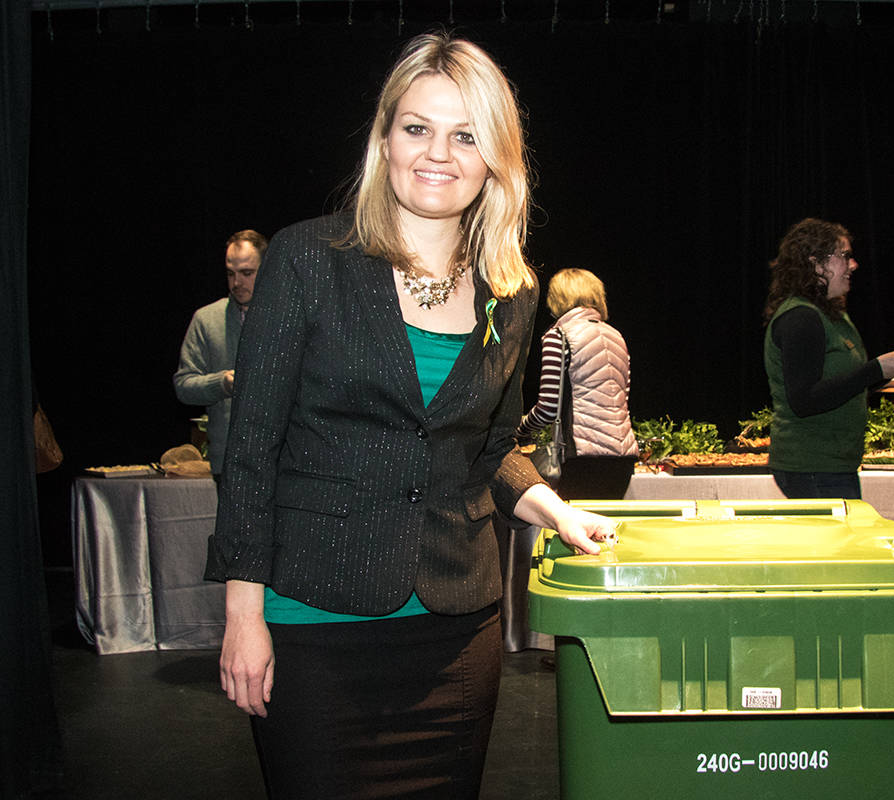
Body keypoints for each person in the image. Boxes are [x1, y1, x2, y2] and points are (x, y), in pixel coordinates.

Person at [203, 33, 615, 798]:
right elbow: (252, 452)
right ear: (384, 138)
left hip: (456, 633)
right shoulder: (305, 260)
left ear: (495, 158)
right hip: (311, 621)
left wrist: (556, 511)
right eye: (417, 127)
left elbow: (486, 450)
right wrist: (242, 614)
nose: (439, 153)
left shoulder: (512, 291)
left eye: (466, 135)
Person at [762, 218, 894, 500]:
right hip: (812, 466)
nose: (853, 265)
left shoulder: (832, 315)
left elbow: (843, 386)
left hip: (832, 466)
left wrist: (891, 370)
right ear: (816, 263)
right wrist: (875, 369)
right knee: (833, 545)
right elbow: (805, 400)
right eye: (845, 256)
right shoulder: (801, 318)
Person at [515, 268, 638, 499]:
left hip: (581, 456)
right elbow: (623, 400)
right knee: (604, 531)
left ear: (558, 297)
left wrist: (519, 430)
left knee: (572, 532)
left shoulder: (559, 336)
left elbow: (548, 408)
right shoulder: (616, 336)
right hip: (623, 458)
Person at [173, 230, 268, 479]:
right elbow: (183, 385)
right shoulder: (206, 319)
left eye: (247, 273)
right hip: (228, 463)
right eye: (230, 273)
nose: (237, 282)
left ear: (267, 269)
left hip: (282, 461)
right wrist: (222, 383)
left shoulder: (288, 318)